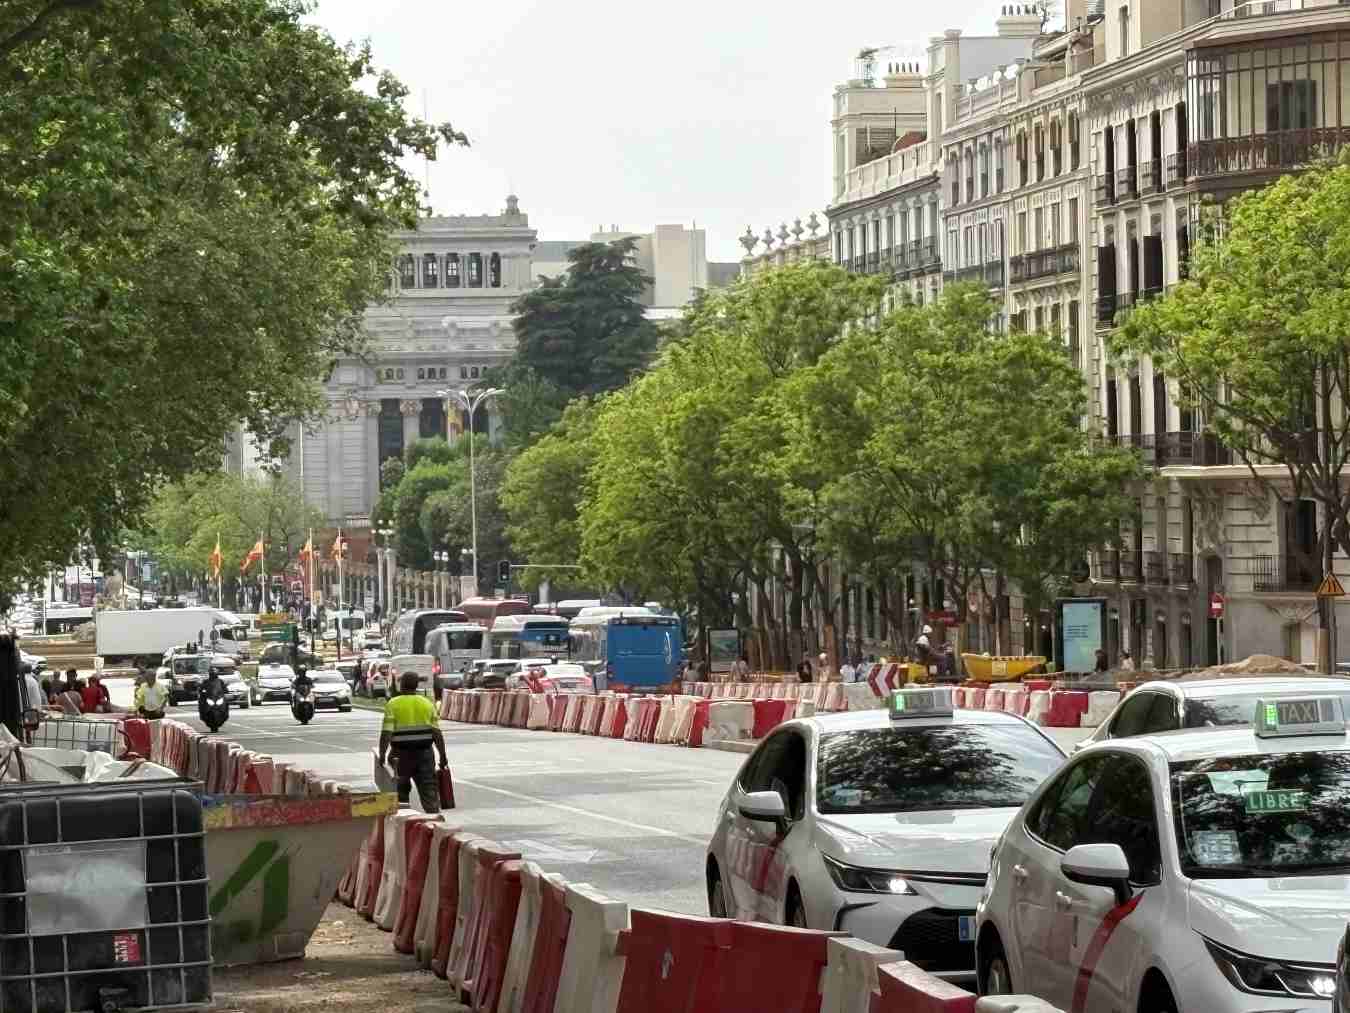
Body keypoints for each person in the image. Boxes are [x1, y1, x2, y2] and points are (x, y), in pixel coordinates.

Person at [378, 671, 448, 812]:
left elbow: (386, 733)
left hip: (400, 756)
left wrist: (382, 754)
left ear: (401, 685)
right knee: (429, 792)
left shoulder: (393, 704)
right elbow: (436, 733)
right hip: (425, 755)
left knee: (401, 793)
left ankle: (403, 821)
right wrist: (442, 756)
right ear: (416, 686)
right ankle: (435, 823)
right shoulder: (427, 704)